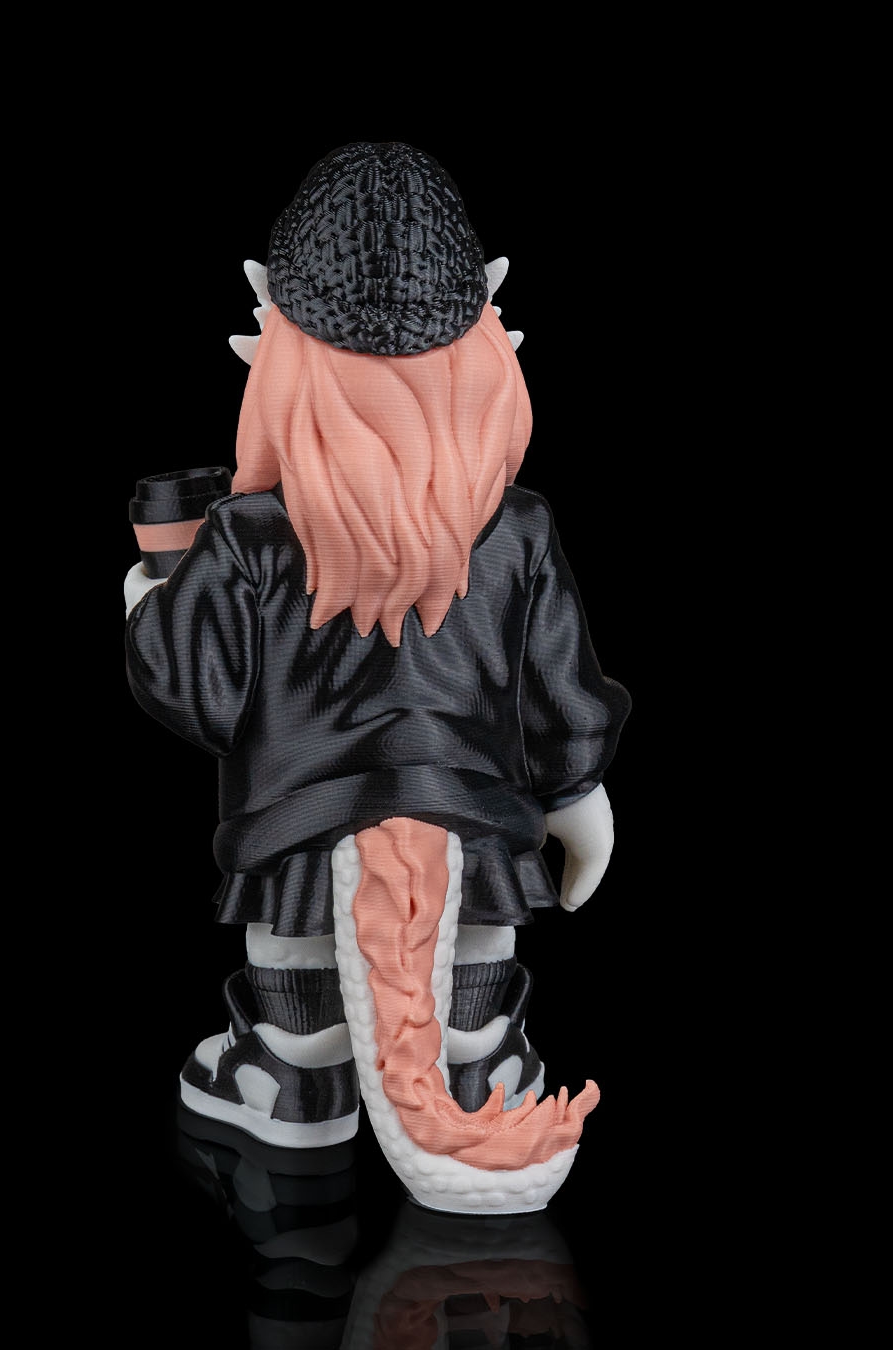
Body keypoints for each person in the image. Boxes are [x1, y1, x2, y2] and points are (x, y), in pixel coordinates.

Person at [124, 142, 630, 1214]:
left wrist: (147, 599)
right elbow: (558, 688)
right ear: (487, 355)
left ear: (280, 356)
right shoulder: (517, 532)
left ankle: (293, 1078)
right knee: (476, 960)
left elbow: (200, 698)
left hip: (302, 830)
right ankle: (479, 1059)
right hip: (477, 825)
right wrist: (579, 793)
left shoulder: (247, 537)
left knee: (297, 981)